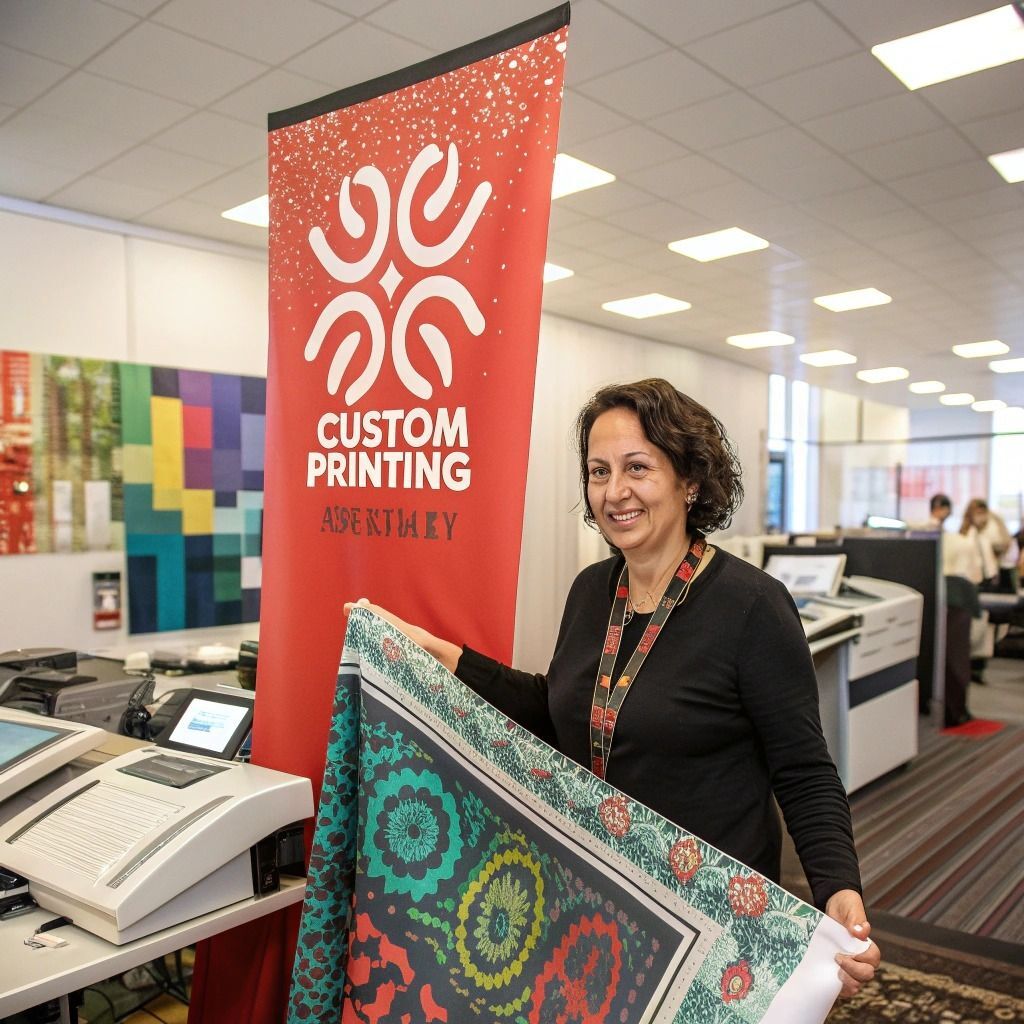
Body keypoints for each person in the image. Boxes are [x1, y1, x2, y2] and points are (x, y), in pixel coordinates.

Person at [347, 378, 879, 998]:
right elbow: (559, 712)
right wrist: (441, 655)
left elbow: (803, 770)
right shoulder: (590, 591)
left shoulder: (753, 607)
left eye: (637, 468)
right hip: (600, 899)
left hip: (712, 923)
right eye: (599, 472)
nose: (615, 491)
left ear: (690, 481)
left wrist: (838, 887)